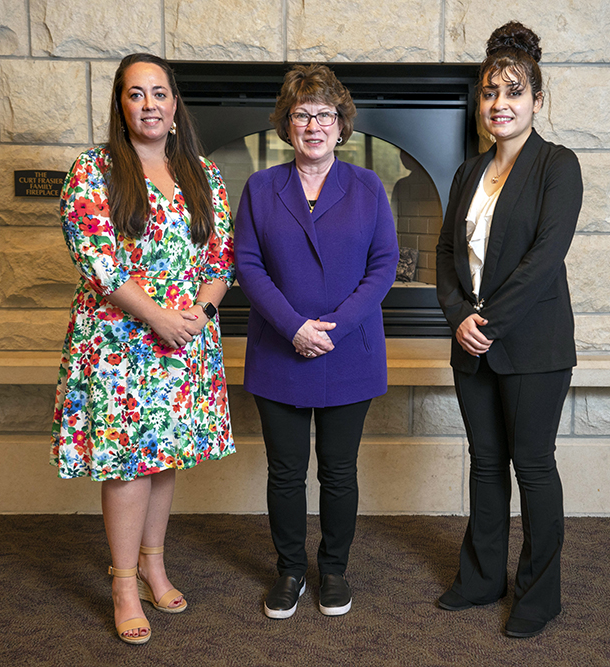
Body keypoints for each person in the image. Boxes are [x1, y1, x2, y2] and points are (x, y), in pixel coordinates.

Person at [51, 53, 236, 645]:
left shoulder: (203, 173)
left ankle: (156, 565)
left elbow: (221, 258)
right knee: (129, 467)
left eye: (160, 93)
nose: (150, 104)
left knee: (164, 460)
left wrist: (198, 316)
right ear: (121, 104)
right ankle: (124, 584)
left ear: (175, 104)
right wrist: (158, 317)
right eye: (137, 94)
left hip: (185, 341)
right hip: (120, 343)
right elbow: (98, 261)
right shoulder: (93, 170)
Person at [434, 22, 583, 639]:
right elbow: (445, 254)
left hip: (533, 347)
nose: (500, 104)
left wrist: (485, 322)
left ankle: (538, 595)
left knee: (534, 466)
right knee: (486, 464)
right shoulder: (469, 172)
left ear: (537, 101)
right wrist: (457, 316)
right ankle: (481, 578)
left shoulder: (558, 166)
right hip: (472, 344)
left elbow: (543, 261)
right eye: (490, 92)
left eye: (514, 92)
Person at [234, 64, 399, 620]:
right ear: (286, 124)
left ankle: (333, 570)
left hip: (347, 350)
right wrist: (294, 328)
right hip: (280, 348)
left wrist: (334, 327)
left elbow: (383, 267)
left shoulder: (368, 187)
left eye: (324, 114)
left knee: (338, 470)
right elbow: (248, 267)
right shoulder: (260, 188)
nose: (313, 125)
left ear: (341, 124)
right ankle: (289, 572)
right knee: (284, 472)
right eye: (301, 114)